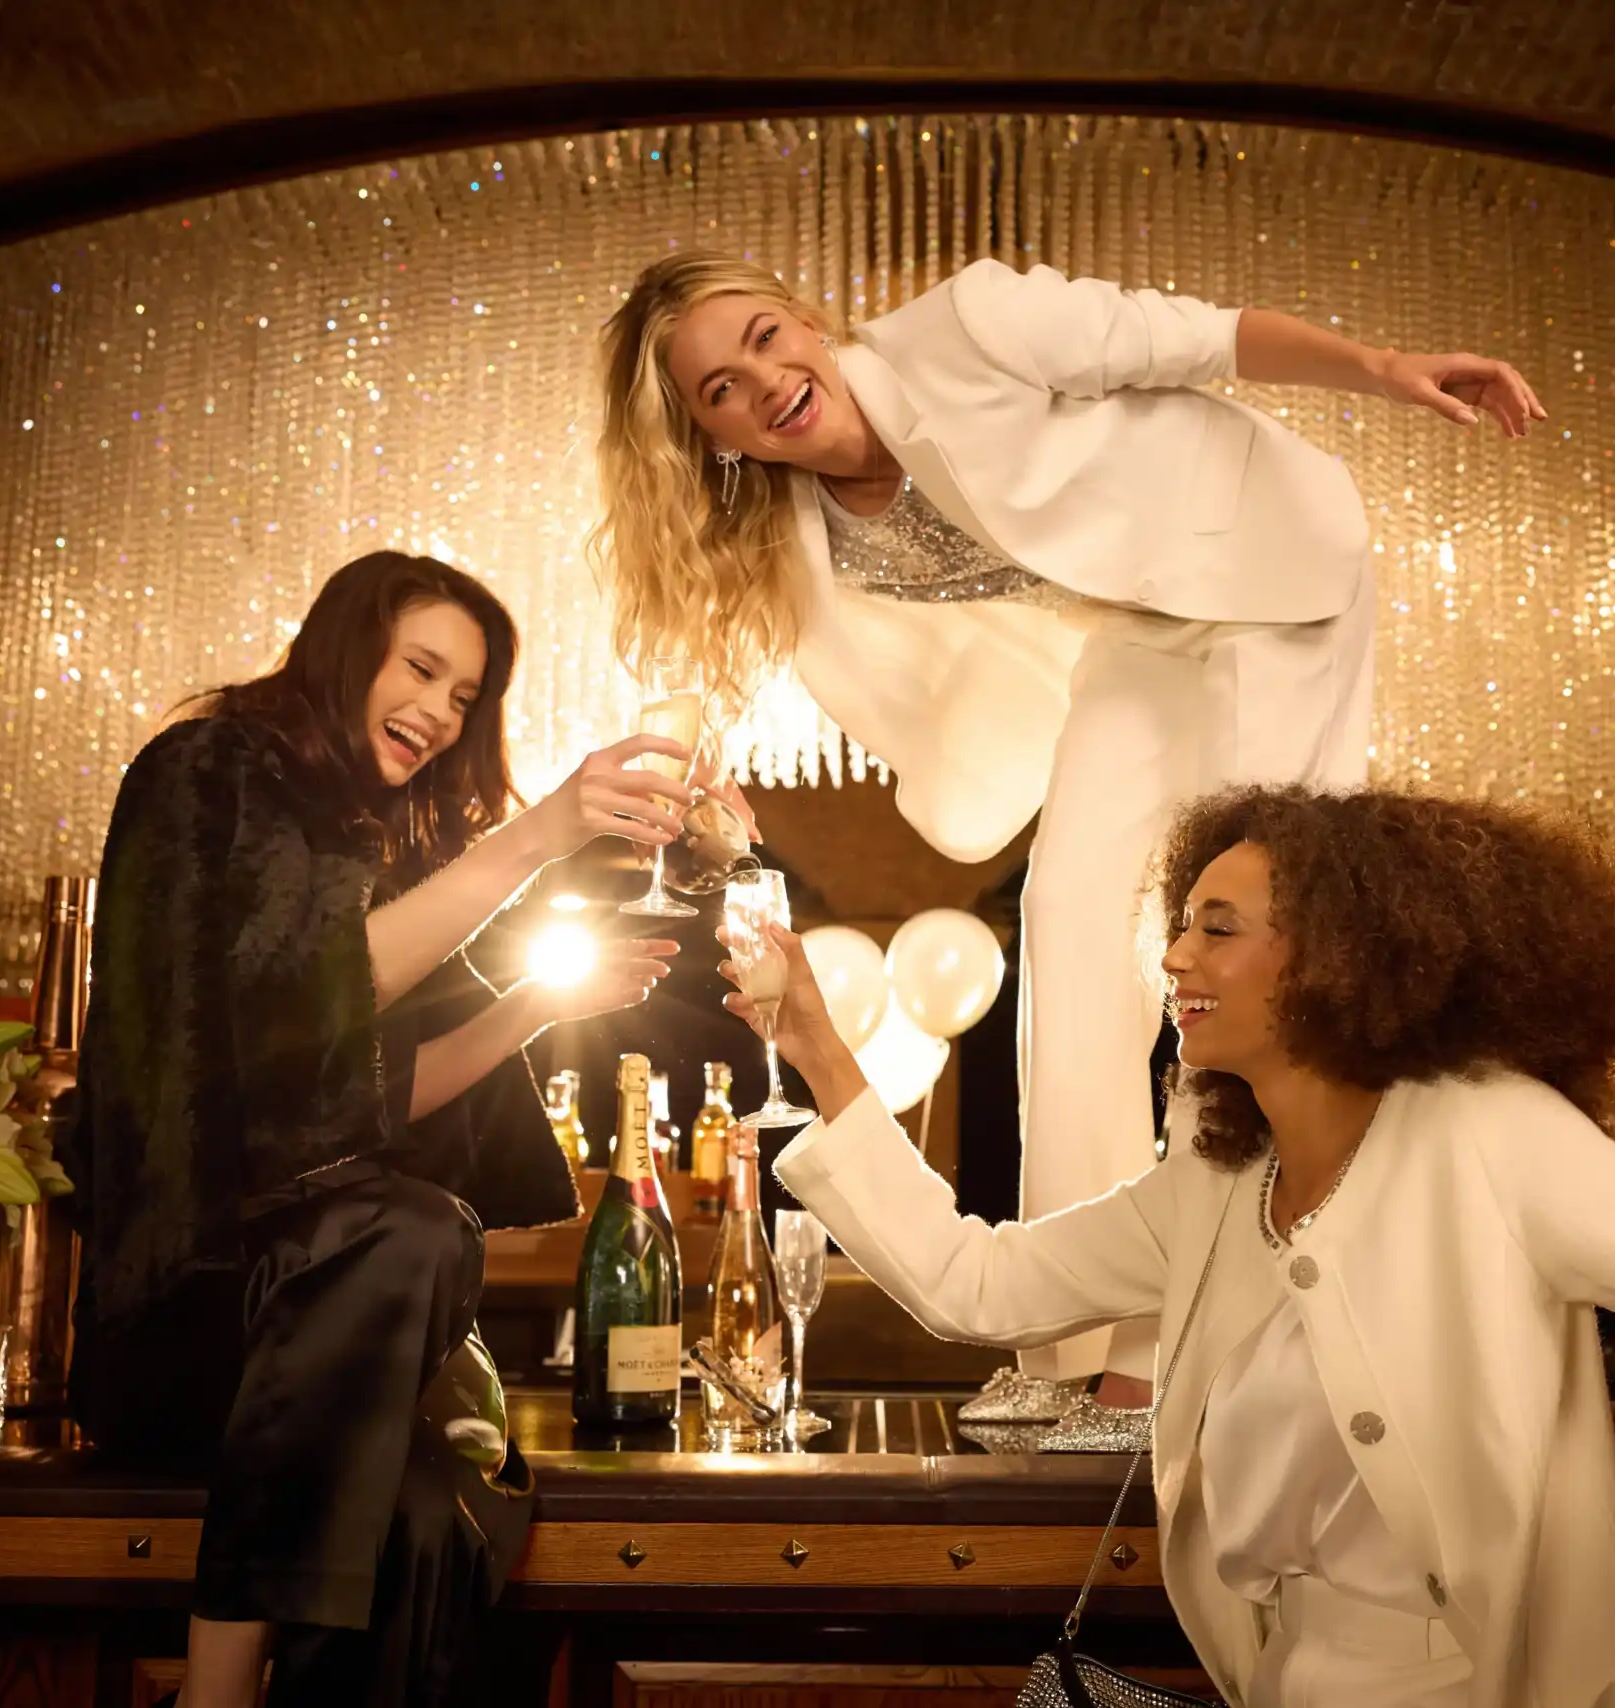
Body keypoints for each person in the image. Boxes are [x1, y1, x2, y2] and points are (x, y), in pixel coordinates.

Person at [593, 250, 1543, 1436]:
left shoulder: (967, 328)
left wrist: (1382, 368)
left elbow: (1202, 335)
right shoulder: (790, 537)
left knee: (1228, 956)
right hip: (1138, 634)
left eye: (768, 336)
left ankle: (1166, 1352)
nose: (767, 380)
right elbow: (748, 671)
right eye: (720, 387)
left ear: (805, 322)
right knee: (1068, 935)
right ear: (712, 434)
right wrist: (707, 782)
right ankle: (1072, 1345)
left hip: (1268, 578)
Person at [725, 784, 1615, 1708]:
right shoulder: (1216, 1184)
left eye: (1218, 928)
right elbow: (973, 1284)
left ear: (1347, 959)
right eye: (1180, 924)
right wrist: (820, 1048)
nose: (1175, 957)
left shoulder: (1487, 1130)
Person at [66, 550, 701, 1707]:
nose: (438, 713)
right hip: (188, 1313)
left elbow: (360, 1096)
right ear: (346, 644)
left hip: (334, 1347)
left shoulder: (378, 846)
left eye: (463, 698)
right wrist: (536, 837)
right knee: (407, 1228)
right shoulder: (206, 770)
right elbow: (286, 1006)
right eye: (420, 669)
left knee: (424, 1517)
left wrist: (535, 1008)